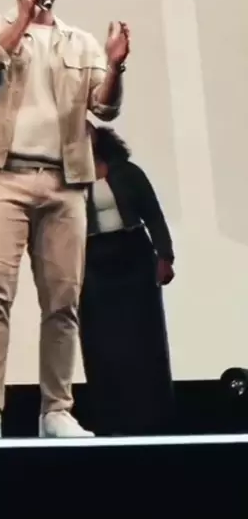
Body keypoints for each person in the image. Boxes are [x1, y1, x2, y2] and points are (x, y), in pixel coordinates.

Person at [0, 0, 130, 439]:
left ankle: (57, 410)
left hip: (64, 183)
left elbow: (105, 108)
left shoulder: (82, 43)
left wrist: (115, 68)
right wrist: (22, 22)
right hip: (1, 176)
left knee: (63, 302)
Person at [79, 124, 175, 436]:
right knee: (100, 341)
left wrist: (165, 256)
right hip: (93, 260)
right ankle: (110, 419)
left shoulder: (127, 172)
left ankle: (153, 418)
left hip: (133, 255)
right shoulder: (69, 179)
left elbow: (153, 215)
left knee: (143, 337)